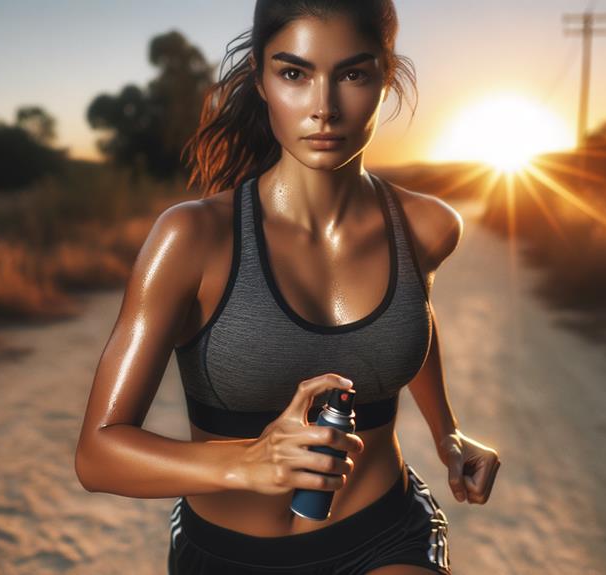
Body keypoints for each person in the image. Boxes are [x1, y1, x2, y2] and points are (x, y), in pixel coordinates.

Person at [75, 1, 501, 573]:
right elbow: (98, 455)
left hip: (384, 532)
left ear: (387, 75)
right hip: (227, 555)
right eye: (294, 73)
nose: (323, 108)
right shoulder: (191, 239)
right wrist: (246, 463)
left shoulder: (428, 227)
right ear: (261, 78)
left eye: (352, 73)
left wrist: (447, 433)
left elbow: (409, 318)